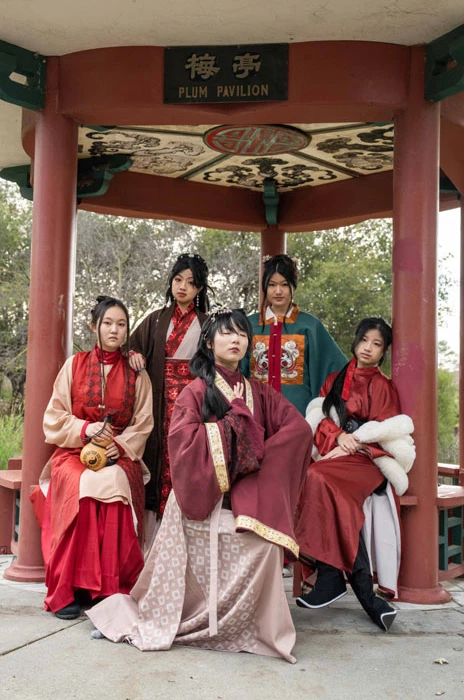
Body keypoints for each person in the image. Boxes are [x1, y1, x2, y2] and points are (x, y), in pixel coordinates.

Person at [87, 308, 313, 663]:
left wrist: (257, 461)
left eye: (242, 333)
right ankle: (188, 619)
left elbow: (298, 429)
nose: (236, 339)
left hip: (245, 502)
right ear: (209, 342)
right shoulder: (195, 392)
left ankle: (248, 627)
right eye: (226, 333)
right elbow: (183, 443)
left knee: (266, 545)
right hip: (202, 501)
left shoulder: (260, 393)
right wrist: (233, 434)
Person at [294, 317, 415, 632]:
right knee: (324, 483)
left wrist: (356, 441)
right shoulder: (335, 380)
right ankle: (364, 594)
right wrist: (338, 437)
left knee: (318, 477)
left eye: (377, 344)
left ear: (384, 352)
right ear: (356, 341)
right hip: (338, 453)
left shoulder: (383, 386)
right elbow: (320, 418)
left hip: (369, 460)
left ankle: (331, 575)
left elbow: (387, 433)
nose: (368, 348)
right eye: (364, 340)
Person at [37, 296, 153, 620]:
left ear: (127, 330)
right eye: (107, 323)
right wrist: (85, 429)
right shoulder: (74, 365)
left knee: (113, 482)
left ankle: (109, 588)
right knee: (82, 484)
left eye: (121, 324)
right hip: (74, 450)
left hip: (119, 453)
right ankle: (69, 587)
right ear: (94, 326)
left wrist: (122, 446)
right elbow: (54, 416)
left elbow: (144, 422)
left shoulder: (137, 373)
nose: (114, 330)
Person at [128, 253, 210, 530]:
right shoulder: (155, 320)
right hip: (159, 402)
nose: (182, 286)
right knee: (158, 457)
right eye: (178, 280)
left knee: (186, 459)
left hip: (192, 404)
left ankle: (184, 523)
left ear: (199, 289)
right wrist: (134, 354)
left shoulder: (207, 324)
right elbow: (132, 346)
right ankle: (156, 528)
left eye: (191, 282)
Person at [241, 253, 346, 416]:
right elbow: (235, 369)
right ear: (265, 287)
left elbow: (335, 365)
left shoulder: (309, 325)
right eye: (272, 285)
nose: (278, 291)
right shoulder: (249, 324)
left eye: (284, 284)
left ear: (293, 286)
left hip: (298, 414)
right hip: (257, 413)